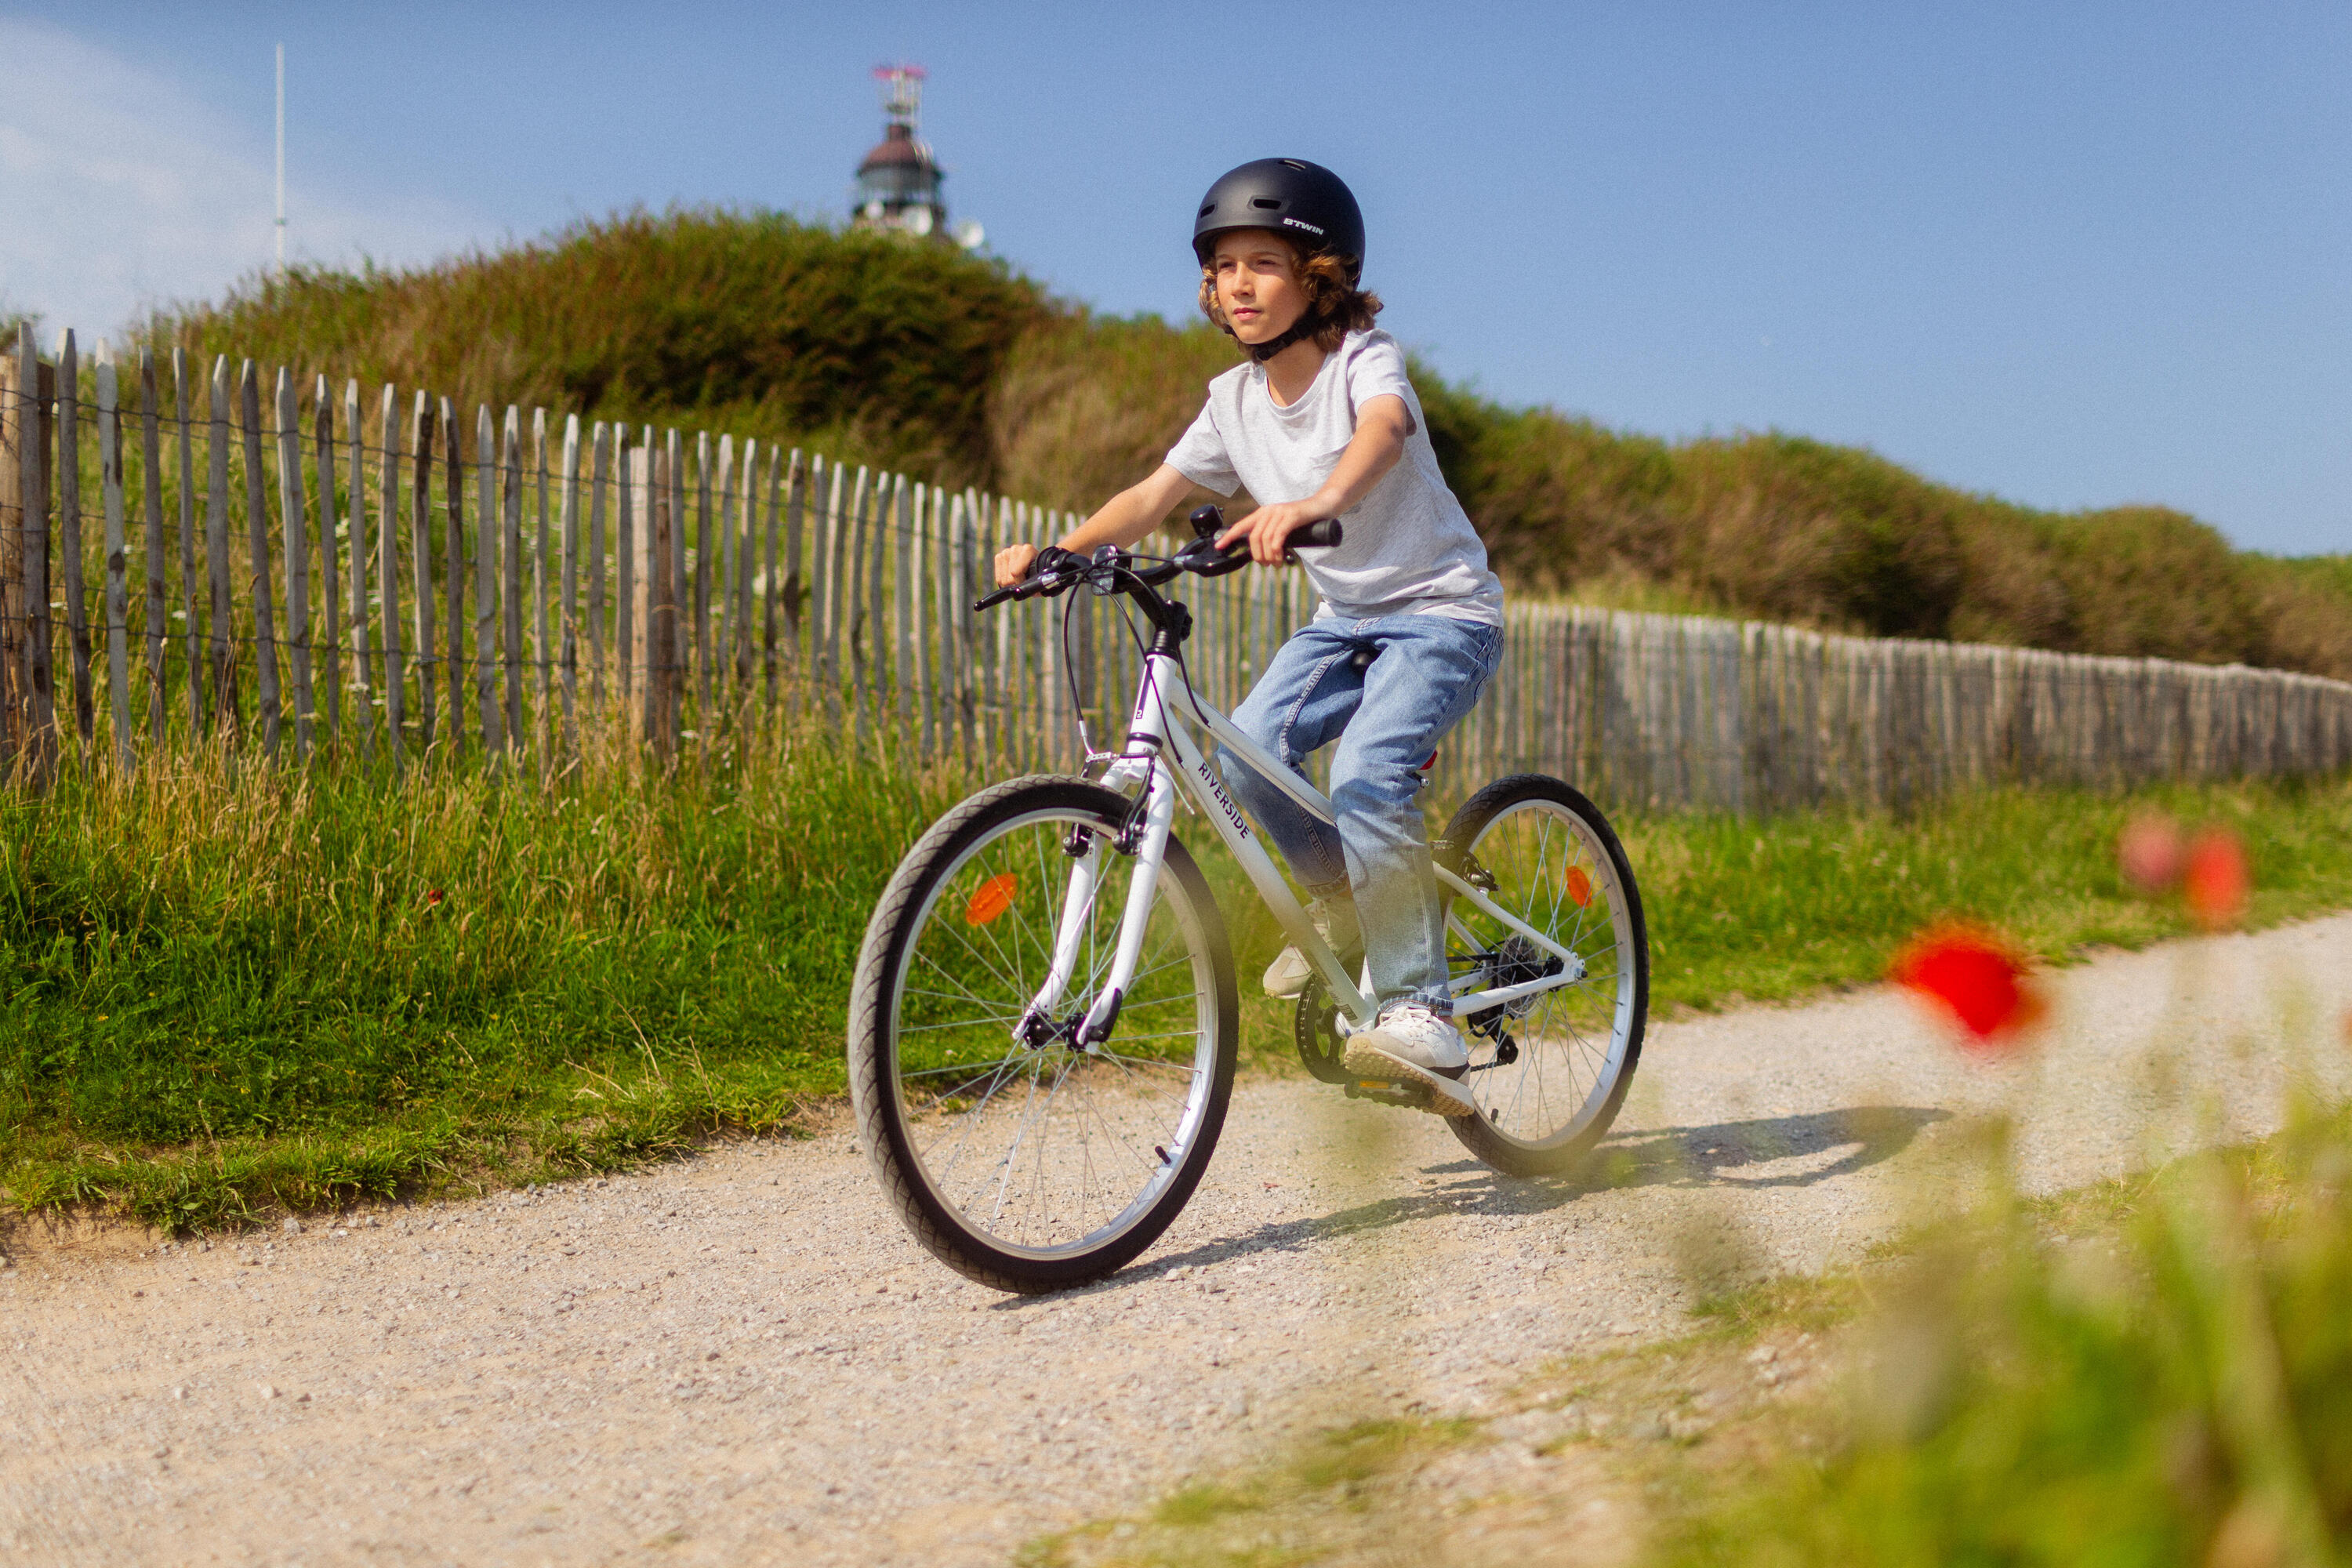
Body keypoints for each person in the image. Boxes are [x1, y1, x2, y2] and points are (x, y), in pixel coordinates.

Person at [992, 158, 1504, 1112]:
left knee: (1365, 774)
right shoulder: (1231, 400)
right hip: (1345, 621)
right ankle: (1358, 900)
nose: (1238, 284)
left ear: (1322, 280)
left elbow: (1383, 432)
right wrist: (1062, 549)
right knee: (1249, 751)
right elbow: (1153, 495)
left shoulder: (1364, 360)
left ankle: (1421, 1007)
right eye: (1222, 267)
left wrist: (1317, 501)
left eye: (1263, 263)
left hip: (1442, 612)